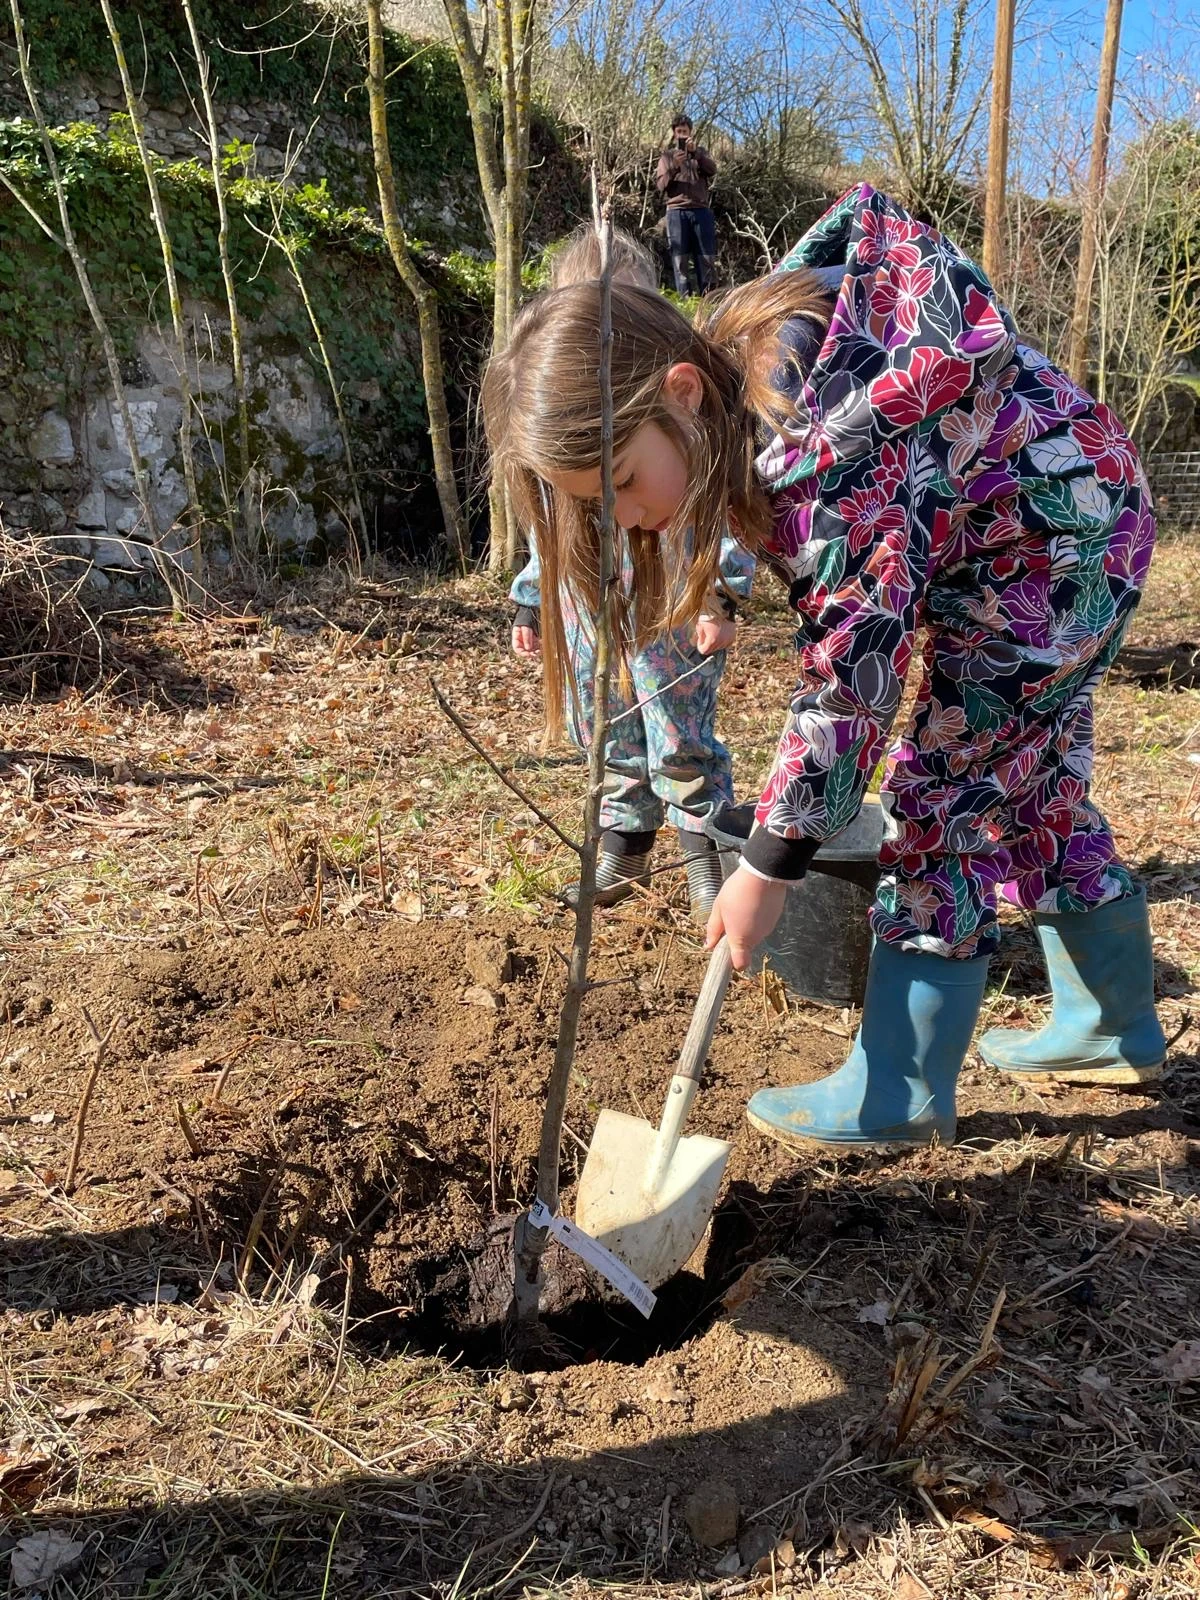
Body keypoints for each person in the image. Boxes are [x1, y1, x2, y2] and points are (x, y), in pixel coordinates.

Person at [483, 182, 1167, 1151]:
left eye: (627, 486)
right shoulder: (744, 368)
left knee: (946, 793)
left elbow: (853, 679)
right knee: (1032, 783)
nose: (628, 520)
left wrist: (766, 866)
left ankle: (899, 1087)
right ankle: (1112, 1023)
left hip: (1050, 552)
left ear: (681, 391)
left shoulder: (812, 439)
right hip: (1084, 511)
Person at [508, 223, 755, 920]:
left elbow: (729, 512)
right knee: (605, 722)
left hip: (673, 599)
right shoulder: (560, 418)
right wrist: (532, 599)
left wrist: (722, 595)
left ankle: (703, 851)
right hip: (589, 603)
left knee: (676, 725)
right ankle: (625, 845)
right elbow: (544, 527)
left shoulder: (682, 425)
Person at [656, 114, 718, 297]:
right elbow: (660, 185)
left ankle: (709, 301)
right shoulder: (667, 156)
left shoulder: (701, 154)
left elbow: (712, 170)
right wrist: (674, 166)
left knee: (707, 258)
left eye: (685, 132)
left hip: (701, 211)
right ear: (674, 135)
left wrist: (696, 154)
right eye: (679, 132)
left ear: (691, 133)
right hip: (676, 212)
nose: (682, 135)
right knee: (680, 260)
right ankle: (684, 301)